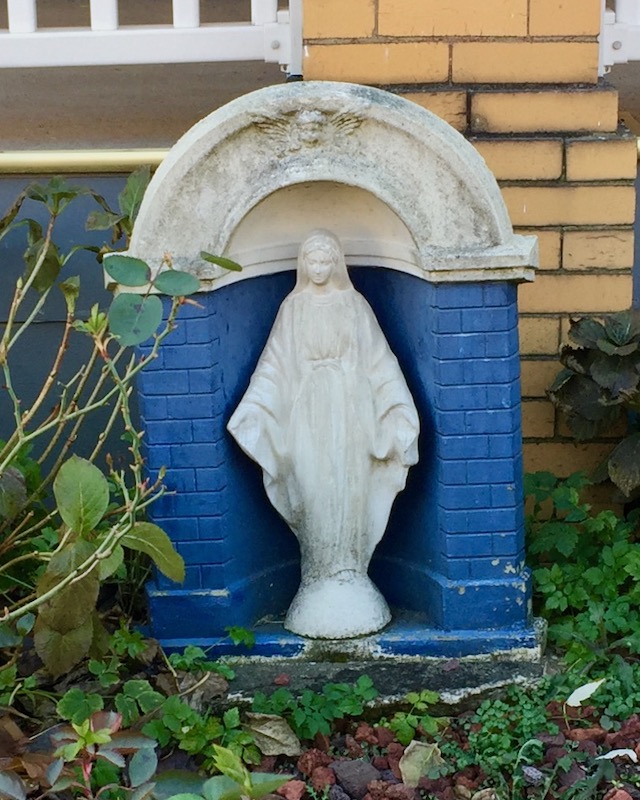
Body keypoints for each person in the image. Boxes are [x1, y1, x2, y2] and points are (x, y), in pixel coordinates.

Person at [227, 229, 419, 638]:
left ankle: (350, 570)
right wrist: (255, 408)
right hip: (307, 417)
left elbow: (380, 362)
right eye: (311, 261)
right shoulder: (292, 308)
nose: (317, 269)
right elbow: (274, 365)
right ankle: (318, 575)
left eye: (324, 261)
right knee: (313, 491)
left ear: (336, 263)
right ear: (303, 264)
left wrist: (396, 409)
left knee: (349, 490)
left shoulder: (355, 306)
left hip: (352, 414)